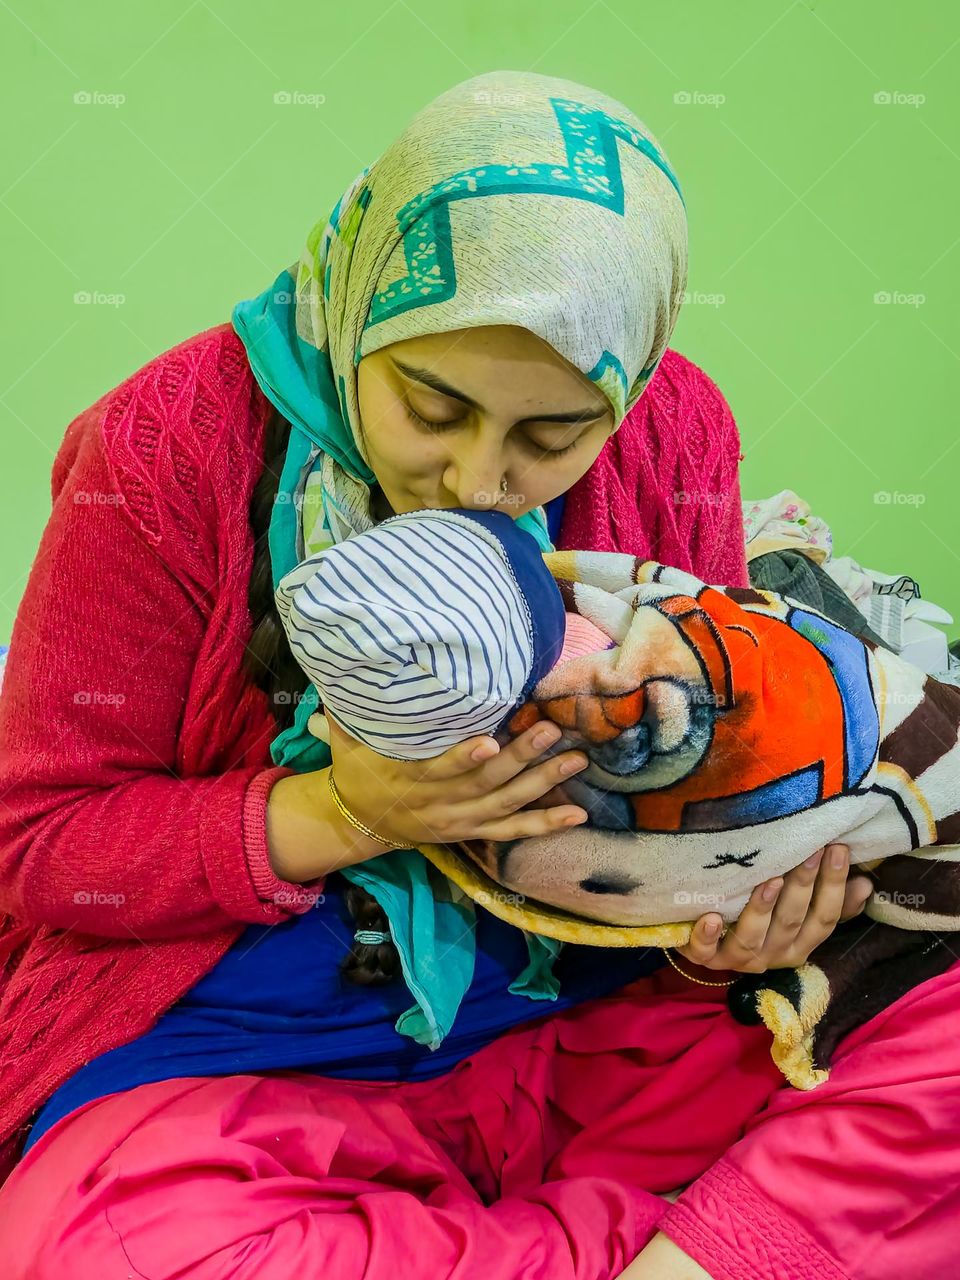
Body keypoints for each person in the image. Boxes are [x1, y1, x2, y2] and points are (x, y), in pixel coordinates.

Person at [0, 68, 955, 1280]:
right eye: (430, 404)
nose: (474, 478)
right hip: (256, 1055)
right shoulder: (159, 451)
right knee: (96, 1254)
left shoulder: (679, 428)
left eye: (551, 437)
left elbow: (704, 778)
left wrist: (733, 923)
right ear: (358, 304)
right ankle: (694, 1243)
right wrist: (340, 812)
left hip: (585, 1016)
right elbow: (40, 845)